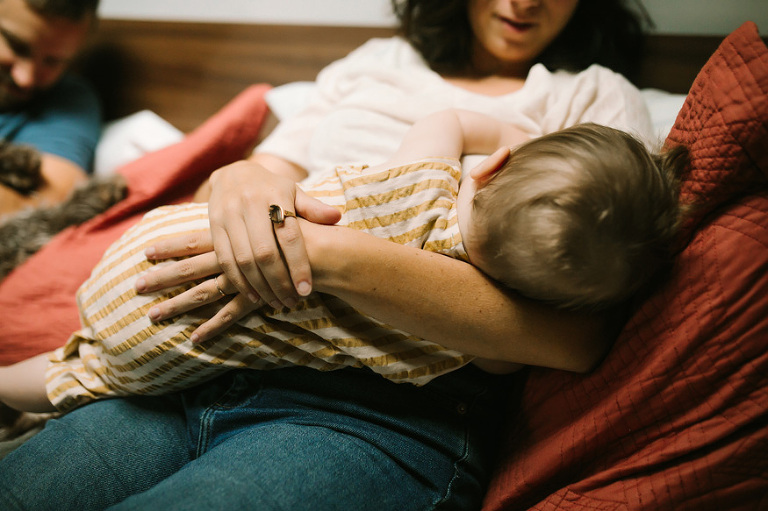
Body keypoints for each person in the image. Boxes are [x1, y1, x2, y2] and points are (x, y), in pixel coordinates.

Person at [0, 1, 659, 509]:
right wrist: (243, 181)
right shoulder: (373, 63)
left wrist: (326, 254)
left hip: (382, 410)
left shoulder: (593, 100)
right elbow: (259, 171)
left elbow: (574, 337)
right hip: (210, 359)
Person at [0, 110, 686, 415]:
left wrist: (511, 139)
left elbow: (451, 119)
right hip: (164, 341)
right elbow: (513, 353)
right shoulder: (451, 340)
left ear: (497, 164)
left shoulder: (425, 172)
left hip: (162, 246)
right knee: (78, 372)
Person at [0, 0, 101, 218]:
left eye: (52, 62)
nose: (25, 79)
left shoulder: (69, 102)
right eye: (16, 46)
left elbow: (44, 205)